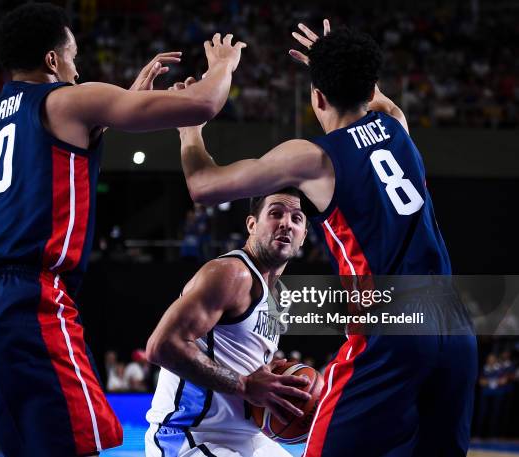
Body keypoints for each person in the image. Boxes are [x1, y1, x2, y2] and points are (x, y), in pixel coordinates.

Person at [0, 3, 246, 456]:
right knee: (76, 446)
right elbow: (203, 103)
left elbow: (60, 153)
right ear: (51, 61)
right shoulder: (66, 98)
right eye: (73, 57)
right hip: (25, 298)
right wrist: (223, 66)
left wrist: (122, 103)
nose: (77, 70)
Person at [173, 20, 477, 457]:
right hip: (456, 323)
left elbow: (203, 185)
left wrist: (190, 130)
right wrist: (336, 59)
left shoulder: (313, 157)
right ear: (370, 86)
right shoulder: (396, 124)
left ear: (317, 96)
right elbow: (374, 96)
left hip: (393, 326)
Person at [145, 188, 311, 457]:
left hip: (250, 437)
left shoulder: (278, 295)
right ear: (252, 224)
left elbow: (235, 353)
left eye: (297, 218)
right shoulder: (232, 273)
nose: (286, 223)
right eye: (275, 213)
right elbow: (161, 346)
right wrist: (244, 385)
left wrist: (272, 373)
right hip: (191, 435)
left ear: (303, 236)